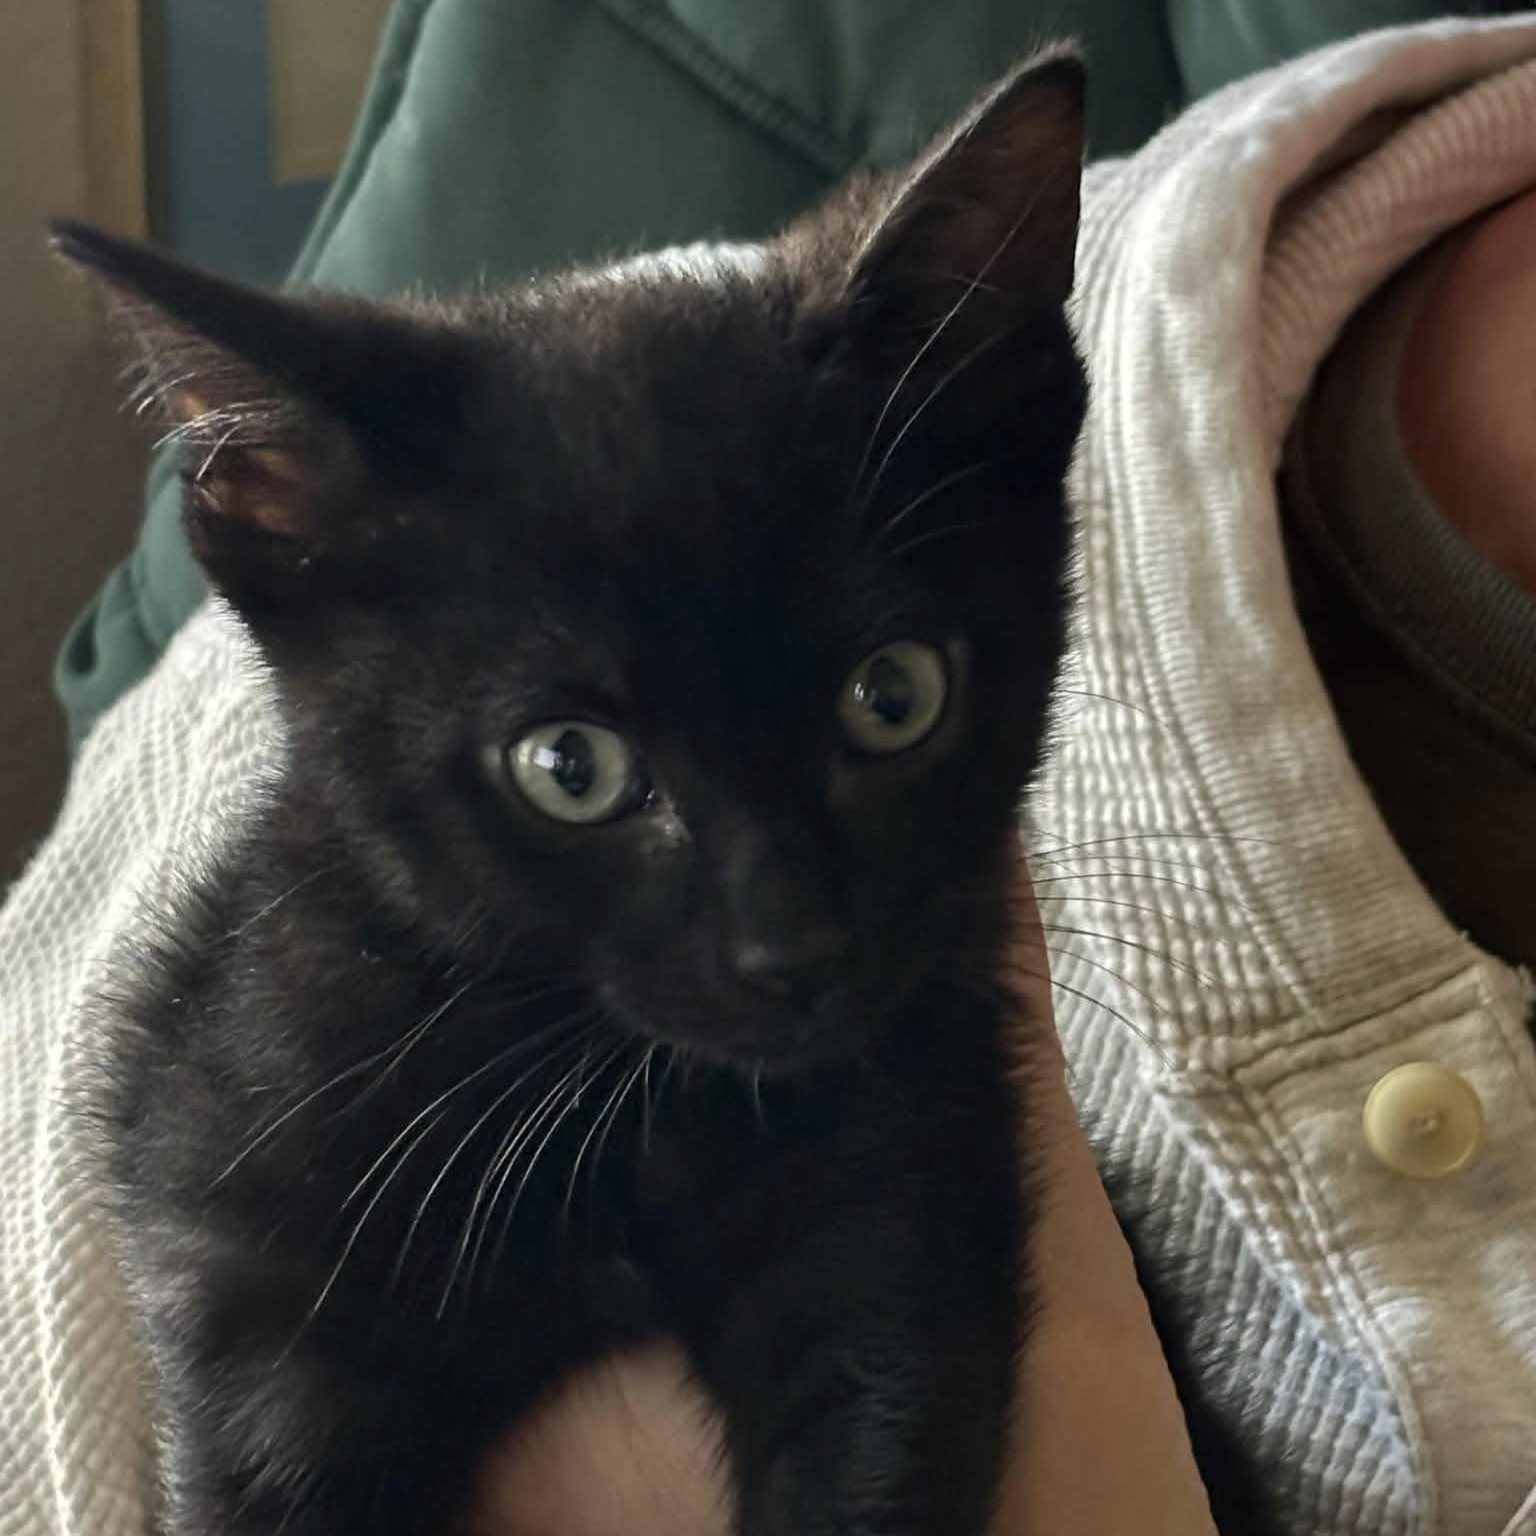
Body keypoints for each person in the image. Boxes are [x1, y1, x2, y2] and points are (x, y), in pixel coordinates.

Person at [4, 13, 1536, 1535]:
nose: (787, 933)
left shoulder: (899, 424)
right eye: (571, 769)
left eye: (889, 702)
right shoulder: (315, 982)